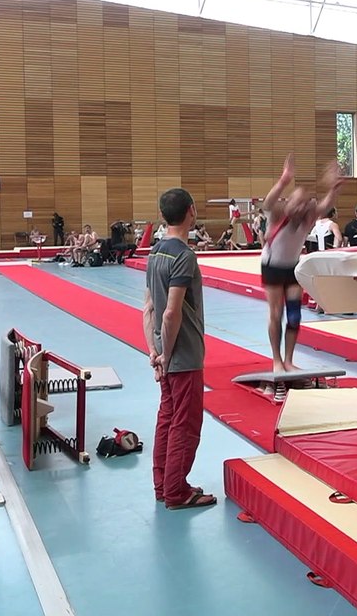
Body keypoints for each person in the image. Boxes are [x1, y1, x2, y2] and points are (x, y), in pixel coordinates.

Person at [141, 187, 214, 510]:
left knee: (167, 419)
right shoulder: (184, 256)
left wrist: (153, 352)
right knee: (184, 423)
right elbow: (171, 311)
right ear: (192, 211)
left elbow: (149, 310)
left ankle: (164, 485)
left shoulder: (155, 253)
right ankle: (177, 492)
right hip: (181, 355)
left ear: (161, 216)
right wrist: (168, 356)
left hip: (163, 350)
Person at [260, 155, 345, 393]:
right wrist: (284, 179)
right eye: (295, 202)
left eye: (303, 203)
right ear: (287, 202)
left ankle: (288, 360)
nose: (299, 207)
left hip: (292, 267)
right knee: (276, 314)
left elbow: (325, 205)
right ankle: (277, 360)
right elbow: (267, 202)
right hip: (272, 266)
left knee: (295, 315)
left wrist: (335, 188)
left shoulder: (308, 216)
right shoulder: (278, 213)